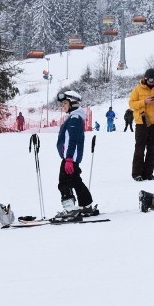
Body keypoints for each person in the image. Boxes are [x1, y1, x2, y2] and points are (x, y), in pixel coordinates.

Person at [53, 90, 97, 221]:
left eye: (65, 103)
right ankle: (86, 205)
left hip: (69, 158)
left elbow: (72, 140)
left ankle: (70, 210)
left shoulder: (74, 118)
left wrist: (69, 159)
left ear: (73, 103)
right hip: (70, 157)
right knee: (75, 180)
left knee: (64, 183)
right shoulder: (75, 117)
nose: (63, 106)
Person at [129, 68, 154, 181]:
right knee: (139, 148)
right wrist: (144, 102)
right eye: (150, 79)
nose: (152, 82)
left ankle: (148, 173)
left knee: (152, 149)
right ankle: (137, 173)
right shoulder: (137, 89)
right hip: (141, 123)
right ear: (145, 78)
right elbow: (131, 104)